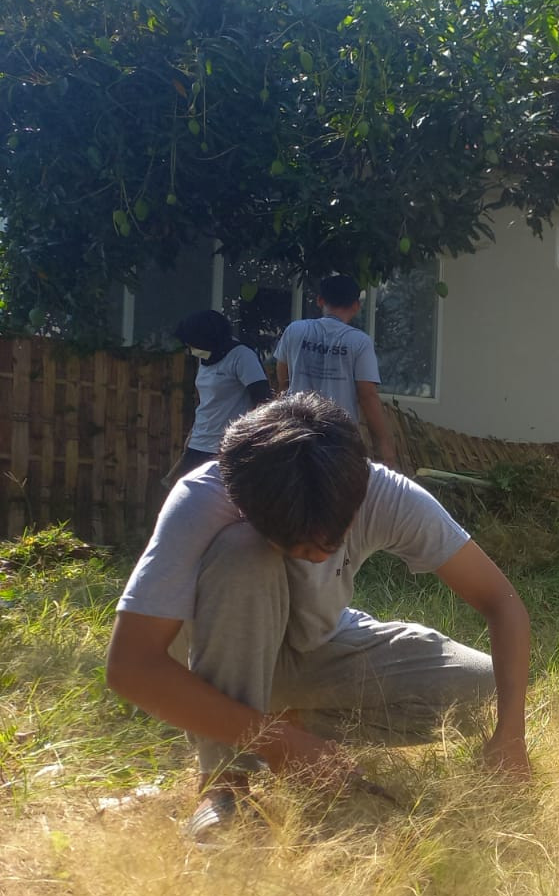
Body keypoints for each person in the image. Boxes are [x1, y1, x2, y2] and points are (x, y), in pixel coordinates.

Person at [106, 394, 532, 844]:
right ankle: (224, 785)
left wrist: (510, 737)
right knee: (241, 555)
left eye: (334, 534)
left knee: (484, 688)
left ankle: (291, 720)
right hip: (221, 659)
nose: (319, 552)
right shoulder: (203, 498)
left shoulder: (382, 492)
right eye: (296, 544)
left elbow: (502, 603)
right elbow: (131, 666)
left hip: (320, 648)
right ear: (242, 501)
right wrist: (275, 743)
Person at [274, 274, 399, 467]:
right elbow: (367, 395)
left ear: (320, 300)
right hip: (338, 437)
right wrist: (384, 442)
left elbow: (283, 378)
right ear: (356, 306)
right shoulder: (359, 342)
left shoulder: (295, 331)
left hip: (296, 429)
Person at [170, 309, 272, 482]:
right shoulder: (205, 356)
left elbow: (263, 401)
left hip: (227, 447)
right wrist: (192, 435)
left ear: (207, 339)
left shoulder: (242, 356)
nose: (190, 349)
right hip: (199, 442)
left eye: (192, 344)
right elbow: (208, 402)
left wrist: (251, 442)